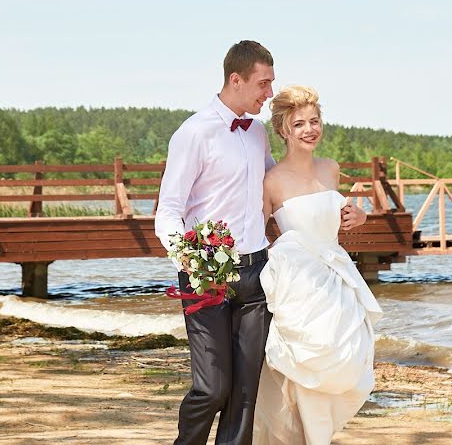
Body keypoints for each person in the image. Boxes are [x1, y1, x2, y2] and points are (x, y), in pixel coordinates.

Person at [155, 42, 367, 445]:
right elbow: (168, 210)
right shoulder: (193, 132)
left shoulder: (255, 134)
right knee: (212, 387)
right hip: (205, 276)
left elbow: (286, 187)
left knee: (246, 393)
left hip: (257, 274)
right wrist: (188, 259)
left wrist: (348, 211)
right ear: (236, 79)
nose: (269, 93)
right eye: (263, 83)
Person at [253, 85, 383, 445]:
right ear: (283, 130)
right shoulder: (272, 180)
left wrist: (361, 215)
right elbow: (255, 231)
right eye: (299, 124)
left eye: (314, 121)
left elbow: (340, 218)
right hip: (298, 282)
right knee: (306, 362)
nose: (310, 129)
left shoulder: (331, 169)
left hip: (335, 277)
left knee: (343, 361)